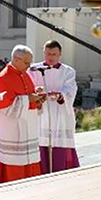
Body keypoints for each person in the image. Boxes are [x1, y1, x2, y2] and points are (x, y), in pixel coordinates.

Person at [0, 45, 44, 184]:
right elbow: (3, 107)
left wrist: (37, 98)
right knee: (15, 174)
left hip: (28, 130)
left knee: (31, 172)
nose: (29, 66)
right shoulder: (3, 78)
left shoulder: (25, 75)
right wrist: (29, 99)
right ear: (16, 59)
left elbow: (28, 97)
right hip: (12, 134)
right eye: (26, 63)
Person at [28, 40, 79, 174]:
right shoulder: (33, 69)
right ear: (44, 53)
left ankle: (61, 171)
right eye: (48, 54)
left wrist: (60, 95)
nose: (51, 57)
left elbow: (70, 90)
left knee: (59, 144)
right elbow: (28, 88)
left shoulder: (68, 71)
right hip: (41, 113)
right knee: (41, 142)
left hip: (60, 113)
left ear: (60, 54)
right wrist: (36, 91)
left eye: (54, 54)